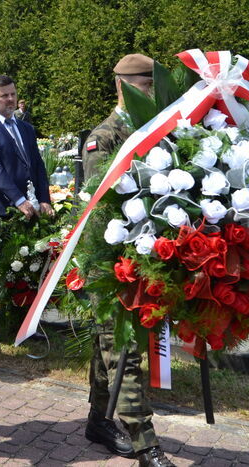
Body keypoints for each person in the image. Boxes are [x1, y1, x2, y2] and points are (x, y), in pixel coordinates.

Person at [80, 53, 175, 467]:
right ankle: (145, 443)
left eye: (154, 85)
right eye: (145, 85)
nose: (151, 93)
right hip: (110, 262)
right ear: (121, 85)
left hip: (147, 257)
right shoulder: (105, 136)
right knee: (125, 350)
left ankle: (98, 421)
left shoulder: (155, 129)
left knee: (111, 347)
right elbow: (104, 207)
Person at [0, 75, 52, 352]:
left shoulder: (26, 129)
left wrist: (44, 198)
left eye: (13, 94)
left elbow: (38, 166)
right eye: (4, 95)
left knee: (25, 268)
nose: (9, 100)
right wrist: (18, 199)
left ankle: (21, 323)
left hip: (29, 210)